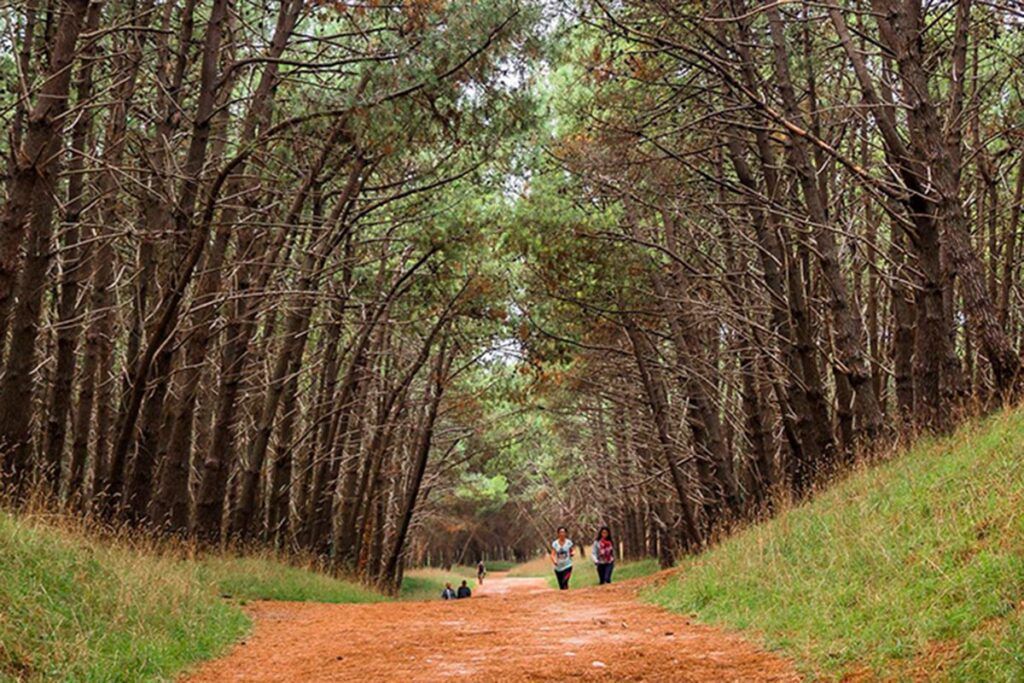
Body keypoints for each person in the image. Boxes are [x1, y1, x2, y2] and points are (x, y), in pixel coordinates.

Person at [550, 526, 574, 590]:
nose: (562, 534)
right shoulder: (555, 544)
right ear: (558, 534)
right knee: (561, 586)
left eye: (563, 532)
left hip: (568, 566)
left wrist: (572, 553)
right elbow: (552, 554)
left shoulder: (569, 542)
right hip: (558, 568)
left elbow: (572, 550)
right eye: (560, 532)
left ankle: (568, 597)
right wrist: (554, 561)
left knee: (565, 582)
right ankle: (563, 598)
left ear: (566, 533)